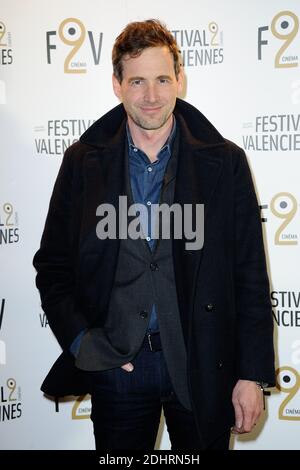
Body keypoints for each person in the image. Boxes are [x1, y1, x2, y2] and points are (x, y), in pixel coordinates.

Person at [33, 19, 275, 451]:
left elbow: (250, 277)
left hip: (202, 365)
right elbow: (52, 267)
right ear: (116, 85)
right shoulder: (82, 162)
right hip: (118, 369)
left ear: (180, 79)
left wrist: (251, 373)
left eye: (163, 79)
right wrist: (84, 342)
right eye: (138, 81)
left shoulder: (226, 162)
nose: (151, 96)